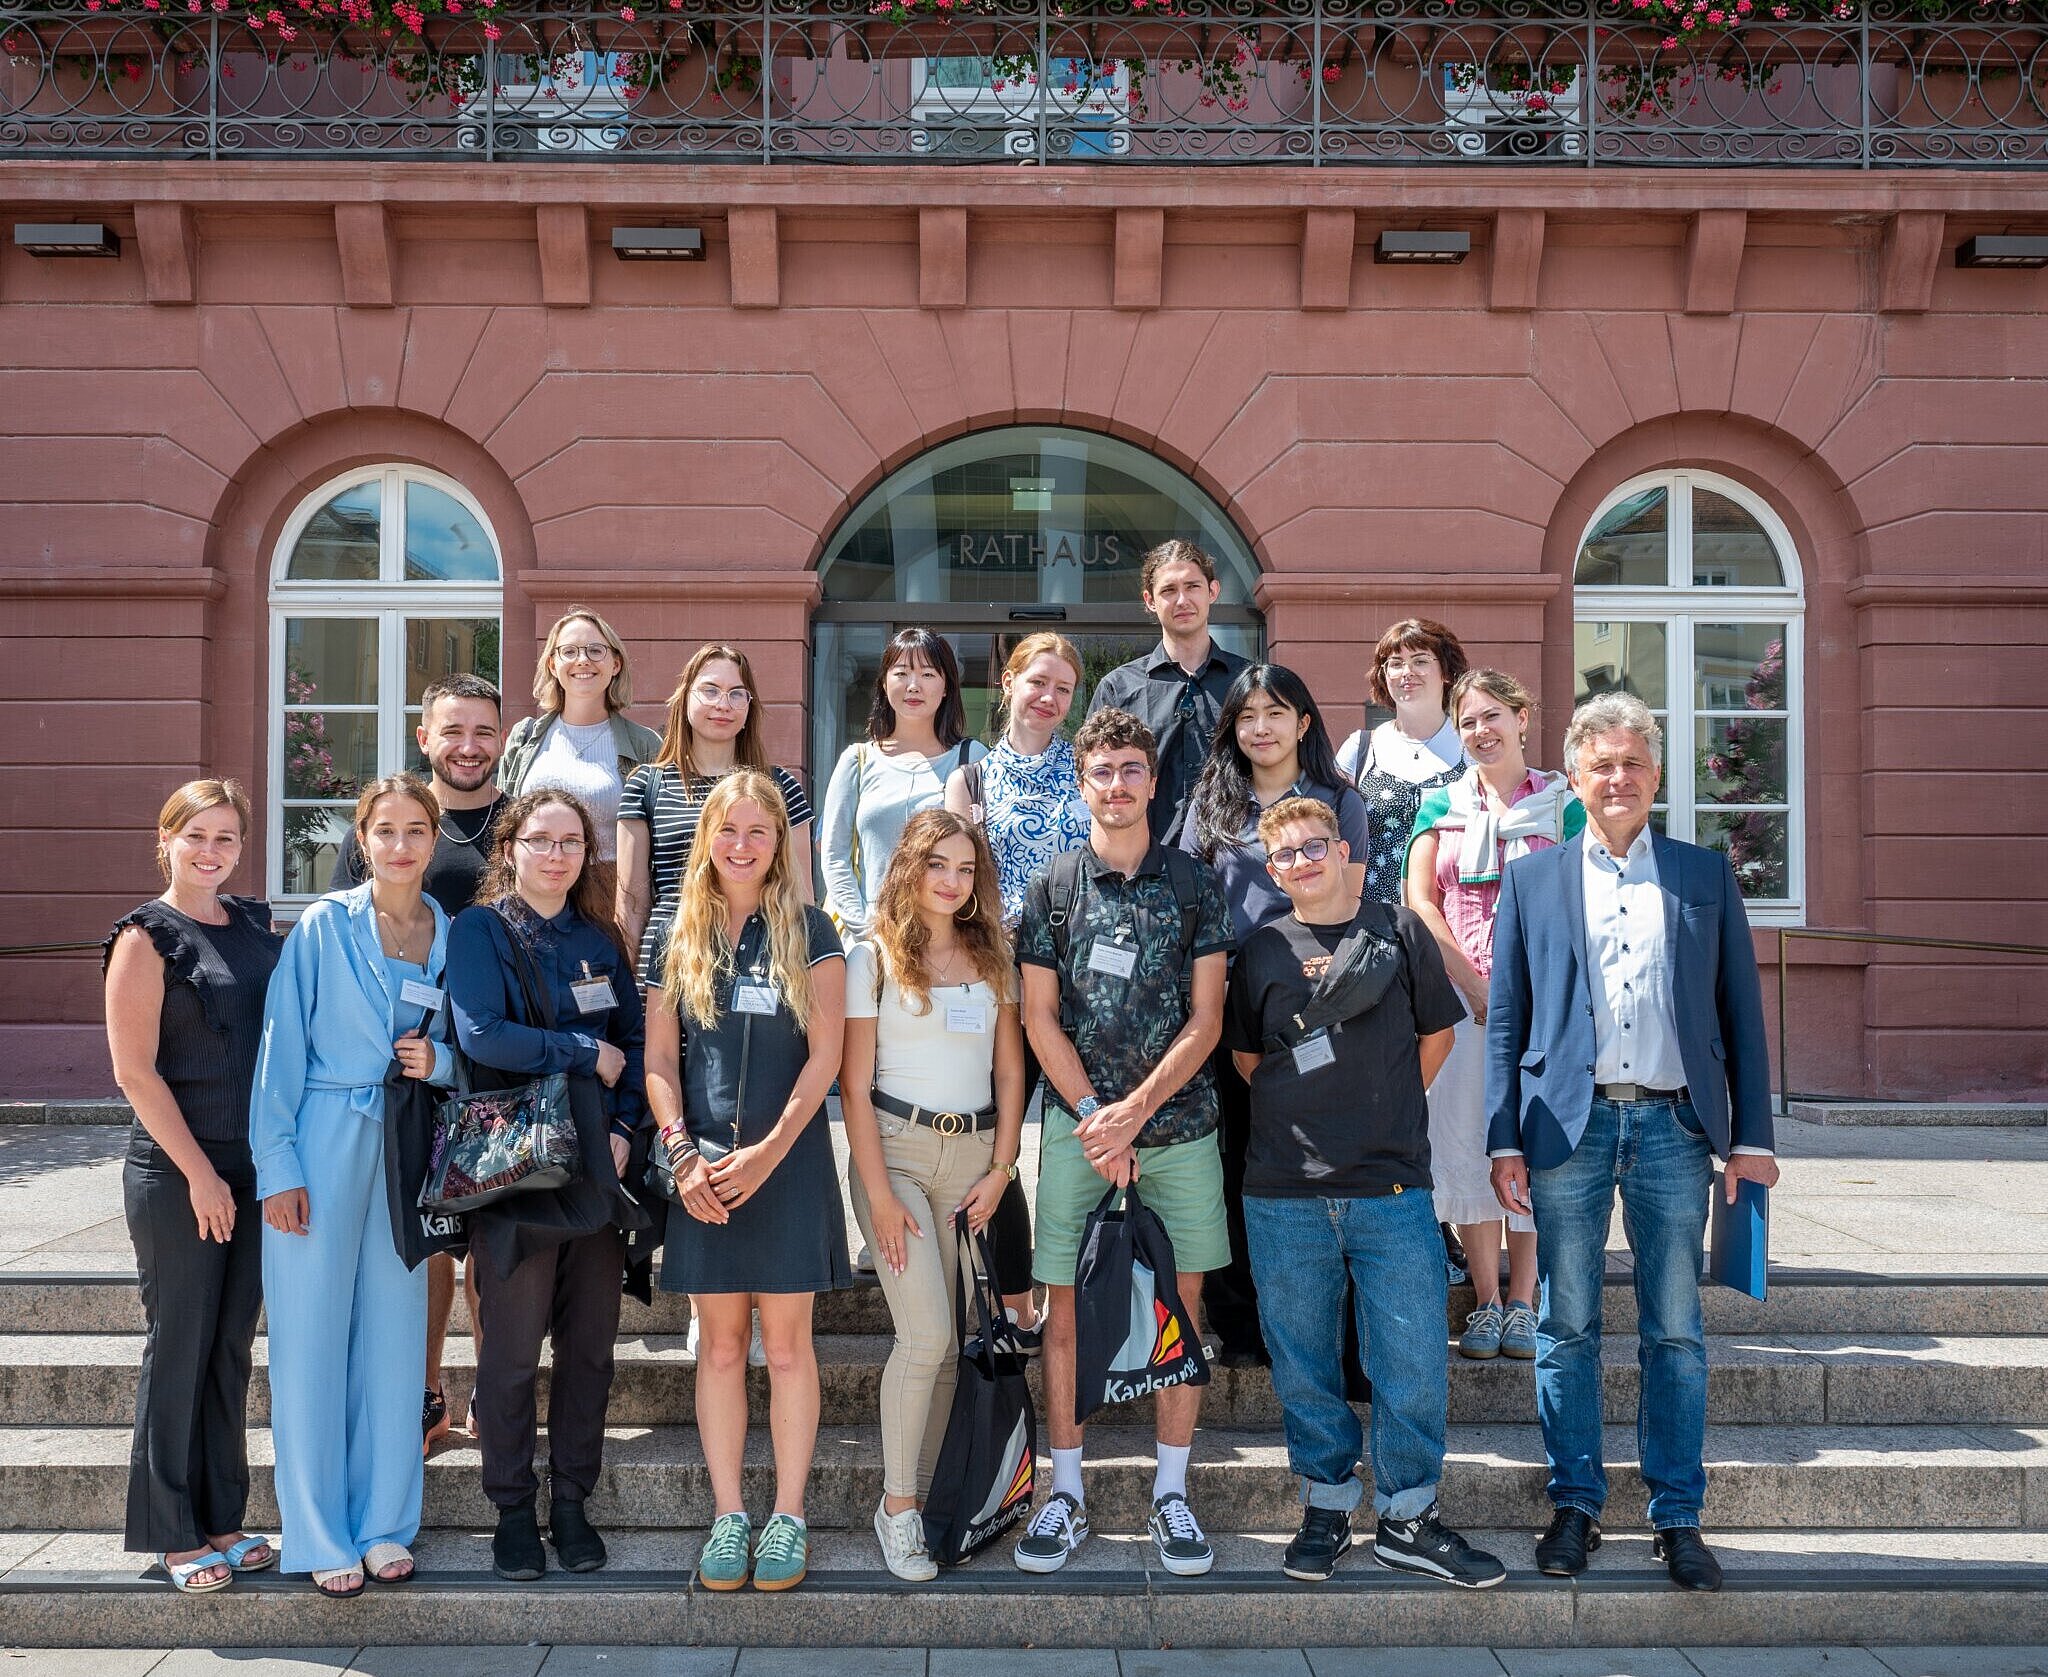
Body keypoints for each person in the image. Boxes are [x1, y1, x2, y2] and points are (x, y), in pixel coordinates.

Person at [1487, 691, 1778, 1594]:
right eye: (1600, 764)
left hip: (1675, 1129)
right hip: (1565, 1129)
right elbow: (1507, 1021)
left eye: (1634, 763)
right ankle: (1574, 1502)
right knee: (1564, 1324)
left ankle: (1676, 1515)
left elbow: (1742, 1012)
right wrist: (1502, 1139)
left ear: (1656, 775)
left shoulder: (1702, 874)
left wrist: (1753, 1137)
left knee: (1676, 1332)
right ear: (1573, 776)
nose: (1618, 778)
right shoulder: (1533, 880)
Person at [1223, 797, 1503, 1589]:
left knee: (1412, 1357)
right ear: (1272, 870)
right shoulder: (1261, 950)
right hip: (1284, 1190)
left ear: (1343, 849)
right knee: (1305, 1360)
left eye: (1316, 847)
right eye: (1286, 855)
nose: (1304, 862)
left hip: (1391, 1185)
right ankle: (1325, 1504)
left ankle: (1409, 1516)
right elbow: (1249, 1061)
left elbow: (1438, 1034)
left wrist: (1383, 1109)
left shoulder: (1400, 930)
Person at [1013, 708, 1235, 1579]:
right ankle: (1063, 1494)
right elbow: (1038, 1016)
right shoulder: (1053, 886)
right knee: (1063, 1309)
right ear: (1082, 782)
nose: (1117, 785)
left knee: (1177, 1312)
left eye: (1131, 770)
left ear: (1152, 781)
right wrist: (1094, 1114)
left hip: (1179, 1131)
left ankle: (1171, 1494)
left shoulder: (1193, 884)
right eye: (1101, 771)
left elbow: (1208, 1018)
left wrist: (1133, 1112)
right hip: (1076, 1134)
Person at [251, 774, 456, 1597]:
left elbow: (466, 1041)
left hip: (408, 1146)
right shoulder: (321, 928)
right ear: (362, 839)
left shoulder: (449, 929)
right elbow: (279, 1055)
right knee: (309, 1340)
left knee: (396, 1337)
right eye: (385, 830)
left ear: (433, 840)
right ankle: (318, 1529)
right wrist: (279, 1168)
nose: (401, 844)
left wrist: (439, 1061)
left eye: (416, 829)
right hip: (323, 1139)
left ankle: (383, 1525)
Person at [647, 772, 849, 1593]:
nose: (740, 844)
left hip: (787, 1162)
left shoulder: (813, 928)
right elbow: (661, 1061)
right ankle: (731, 1515)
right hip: (700, 1173)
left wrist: (767, 1151)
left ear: (779, 842)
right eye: (726, 829)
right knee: (723, 1346)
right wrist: (679, 1153)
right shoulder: (677, 931)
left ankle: (789, 1514)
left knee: (791, 1348)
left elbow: (827, 1057)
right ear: (706, 838)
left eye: (757, 830)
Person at [447, 789, 648, 1582]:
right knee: (510, 1351)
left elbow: (631, 1041)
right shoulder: (481, 930)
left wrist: (628, 1128)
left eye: (571, 841)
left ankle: (571, 1501)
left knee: (591, 1348)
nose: (557, 854)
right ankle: (510, 1507)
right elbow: (481, 1030)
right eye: (541, 839)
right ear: (511, 848)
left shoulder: (599, 937)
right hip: (518, 1167)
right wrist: (577, 1050)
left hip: (598, 1168)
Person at [103, 780, 284, 1594]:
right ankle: (171, 1530)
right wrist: (202, 1175)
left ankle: (223, 1517)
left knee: (229, 1349)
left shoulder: (250, 923)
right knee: (178, 1344)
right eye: (196, 836)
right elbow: (134, 1074)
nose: (211, 851)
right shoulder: (146, 937)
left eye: (226, 838)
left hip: (251, 1167)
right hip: (179, 1172)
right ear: (166, 837)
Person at [841, 809, 1026, 1582]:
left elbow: (1012, 1072)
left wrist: (1003, 1166)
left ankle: (930, 1496)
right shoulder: (872, 956)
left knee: (950, 1346)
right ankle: (897, 1510)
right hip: (898, 1153)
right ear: (909, 868)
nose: (951, 881)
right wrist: (879, 1193)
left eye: (964, 867)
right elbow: (853, 1084)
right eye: (936, 865)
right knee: (926, 1337)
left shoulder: (993, 955)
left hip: (974, 1157)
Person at [326, 670, 506, 1455]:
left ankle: (493, 1394)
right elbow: (346, 945)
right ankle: (428, 1391)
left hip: (498, 1060)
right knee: (429, 1238)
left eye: (483, 732)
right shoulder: (392, 825)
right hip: (408, 1072)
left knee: (496, 1237)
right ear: (424, 736)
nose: (469, 746)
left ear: (502, 739)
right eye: (452, 731)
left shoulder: (516, 823)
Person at [1182, 662, 1370, 1367]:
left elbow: (1346, 910)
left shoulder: (1336, 800)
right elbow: (1190, 900)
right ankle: (1241, 1321)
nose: (1260, 726)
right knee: (1233, 1161)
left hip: (1316, 1008)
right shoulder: (1211, 804)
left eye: (1275, 711)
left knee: (1314, 1164)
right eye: (1246, 715)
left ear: (1303, 722)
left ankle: (1328, 1324)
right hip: (1227, 1006)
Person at [1407, 669, 1583, 1362]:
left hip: (1541, 1003)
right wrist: (1475, 986)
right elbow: (1421, 901)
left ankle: (1525, 1295)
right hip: (1459, 1000)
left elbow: (1580, 898)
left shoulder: (1564, 804)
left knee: (1529, 1144)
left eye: (1492, 717)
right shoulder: (1440, 806)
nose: (1481, 731)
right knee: (1466, 1142)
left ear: (1522, 716)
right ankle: (1485, 1298)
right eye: (1469, 720)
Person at [943, 629, 1091, 1339]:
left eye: (1063, 687)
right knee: (995, 1146)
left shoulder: (1090, 770)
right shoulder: (970, 779)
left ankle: (1073, 1297)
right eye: (1038, 681)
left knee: (1073, 1145)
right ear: (1007, 683)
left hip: (1077, 994)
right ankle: (1011, 1300)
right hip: (995, 989)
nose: (1050, 697)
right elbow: (950, 883)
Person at [619, 643, 814, 984]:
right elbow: (632, 904)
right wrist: (625, 986)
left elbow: (800, 897)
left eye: (737, 694)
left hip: (759, 961)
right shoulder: (646, 785)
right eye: (710, 690)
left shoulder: (780, 787)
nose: (723, 704)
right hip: (668, 961)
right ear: (685, 697)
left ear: (749, 708)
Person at [819, 628, 986, 940]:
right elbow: (834, 854)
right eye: (902, 673)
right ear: (884, 682)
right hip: (871, 938)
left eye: (927, 674)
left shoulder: (972, 760)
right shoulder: (857, 761)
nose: (914, 685)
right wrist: (863, 929)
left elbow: (985, 856)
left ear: (946, 686)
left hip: (946, 940)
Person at [1086, 539, 1250, 848]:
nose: (1182, 600)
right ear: (1149, 600)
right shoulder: (1118, 688)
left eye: (1192, 587)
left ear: (1213, 591)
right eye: (1168, 590)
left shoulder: (1248, 683)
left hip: (1233, 862)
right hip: (1146, 866)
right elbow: (1096, 780)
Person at [498, 607, 662, 882]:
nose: (583, 660)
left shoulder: (644, 744)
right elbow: (504, 825)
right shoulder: (524, 738)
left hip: (610, 900)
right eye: (570, 651)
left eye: (596, 651)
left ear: (616, 664)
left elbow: (659, 839)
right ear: (553, 664)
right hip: (534, 895)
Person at [1335, 619, 1470, 906]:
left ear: (1446, 671)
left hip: (1454, 919)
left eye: (1420, 661)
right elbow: (1328, 832)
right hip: (1377, 925)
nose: (1407, 672)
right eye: (1395, 663)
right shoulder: (1358, 750)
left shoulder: (1471, 749)